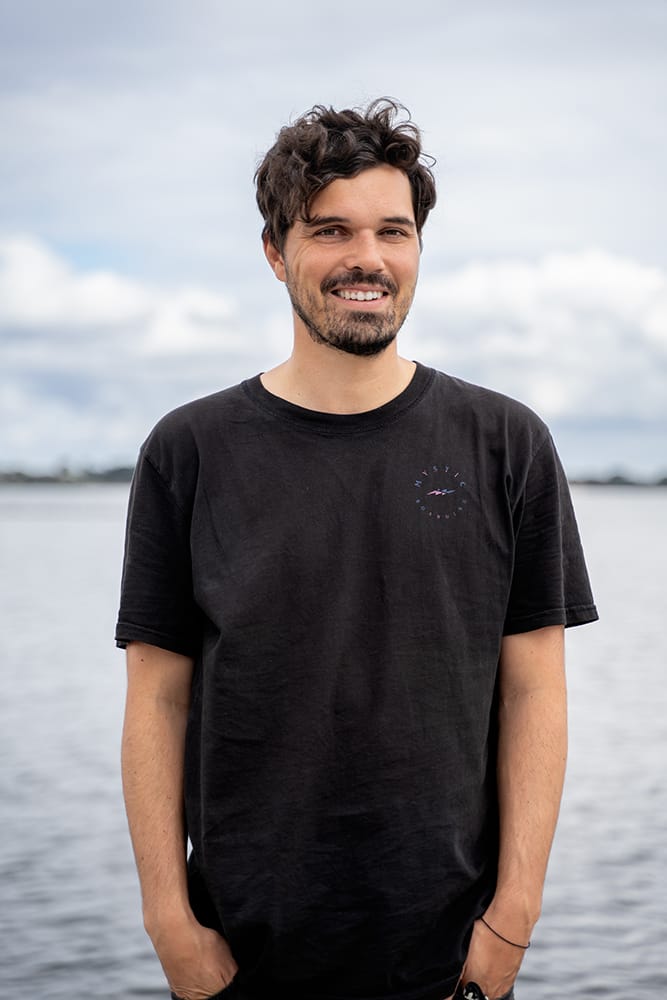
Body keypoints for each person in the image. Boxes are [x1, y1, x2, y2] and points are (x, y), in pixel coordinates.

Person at [117, 99, 598, 1000]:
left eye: (393, 231)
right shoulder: (188, 450)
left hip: (452, 953)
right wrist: (169, 923)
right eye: (329, 230)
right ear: (275, 251)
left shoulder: (506, 441)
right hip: (239, 950)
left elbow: (535, 685)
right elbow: (157, 698)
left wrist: (513, 919)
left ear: (417, 248)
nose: (366, 259)